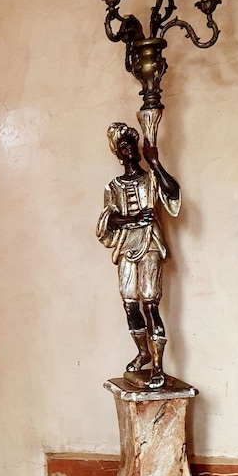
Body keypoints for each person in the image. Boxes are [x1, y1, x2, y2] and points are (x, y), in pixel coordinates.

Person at [96, 122, 181, 389]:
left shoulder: (152, 179)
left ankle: (158, 365)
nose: (130, 149)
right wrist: (132, 218)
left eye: (132, 143)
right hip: (126, 248)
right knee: (130, 304)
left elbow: (173, 193)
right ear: (118, 153)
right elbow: (108, 220)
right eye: (124, 146)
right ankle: (143, 352)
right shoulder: (113, 187)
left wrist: (155, 162)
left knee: (150, 304)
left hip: (151, 245)